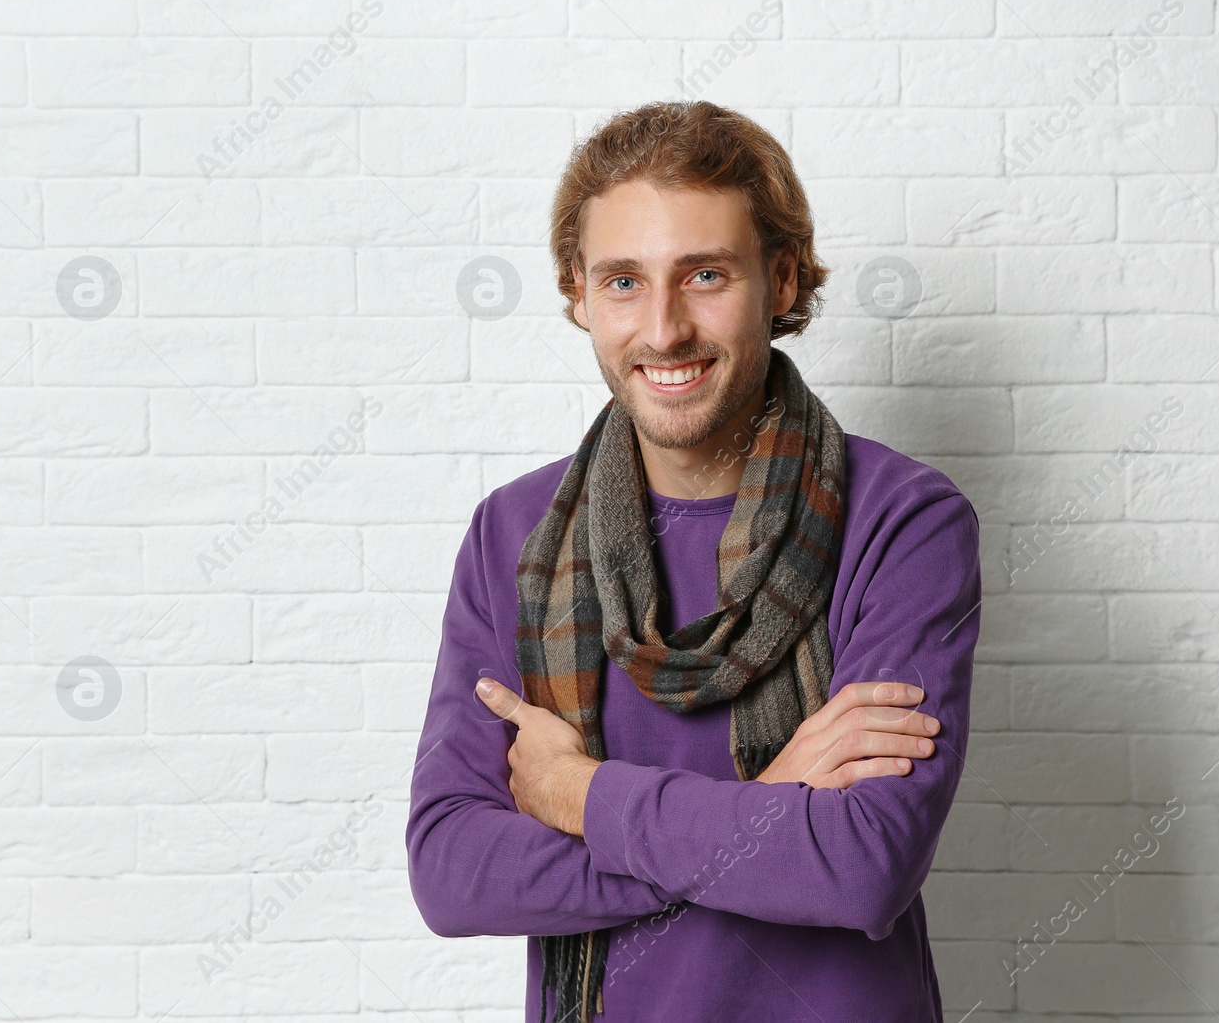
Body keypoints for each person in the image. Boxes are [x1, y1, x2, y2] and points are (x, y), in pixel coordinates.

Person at [406, 100, 982, 1023]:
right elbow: (453, 870)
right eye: (624, 281)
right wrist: (765, 804)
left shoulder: (901, 519)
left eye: (705, 274)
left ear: (781, 279)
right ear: (579, 294)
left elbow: (864, 862)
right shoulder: (513, 534)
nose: (664, 328)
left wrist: (576, 793)